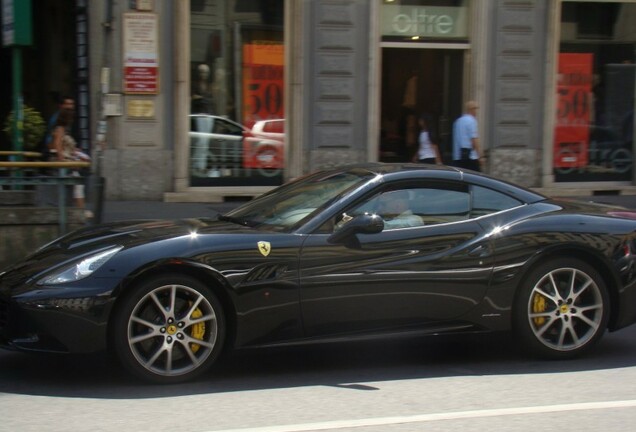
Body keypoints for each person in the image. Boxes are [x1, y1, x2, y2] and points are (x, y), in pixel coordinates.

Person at [49, 108, 90, 210]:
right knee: (77, 184)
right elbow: (58, 145)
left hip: (69, 160)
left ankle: (79, 209)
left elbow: (66, 146)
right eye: (70, 118)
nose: (72, 120)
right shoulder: (60, 129)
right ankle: (80, 210)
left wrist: (76, 151)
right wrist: (62, 160)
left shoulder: (64, 130)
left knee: (77, 185)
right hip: (65, 162)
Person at [452, 100, 484, 171]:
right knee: (477, 179)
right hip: (470, 157)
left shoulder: (458, 121)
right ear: (471, 109)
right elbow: (474, 139)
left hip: (458, 157)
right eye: (475, 108)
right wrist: (480, 156)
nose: (476, 111)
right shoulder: (471, 121)